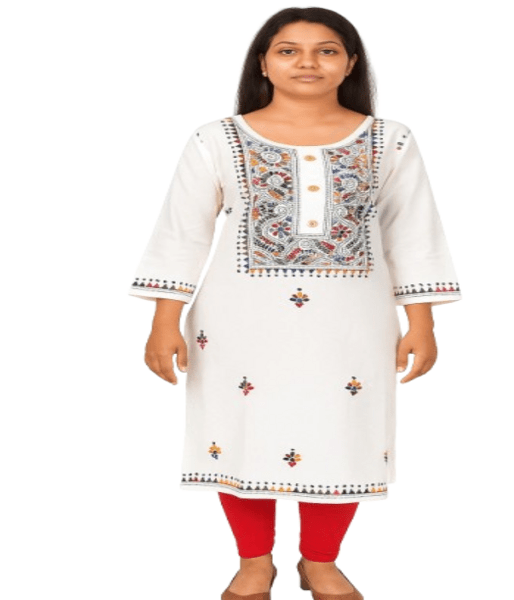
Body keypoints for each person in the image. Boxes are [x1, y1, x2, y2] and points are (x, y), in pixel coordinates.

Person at [128, 7, 462, 600]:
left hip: (351, 323)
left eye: (326, 50)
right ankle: (254, 563)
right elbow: (182, 232)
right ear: (263, 63)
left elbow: (413, 232)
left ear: (350, 63)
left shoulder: (389, 140)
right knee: (239, 433)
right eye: (289, 50)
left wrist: (422, 321)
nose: (308, 62)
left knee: (343, 432)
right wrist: (163, 320)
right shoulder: (217, 139)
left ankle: (321, 561)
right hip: (239, 321)